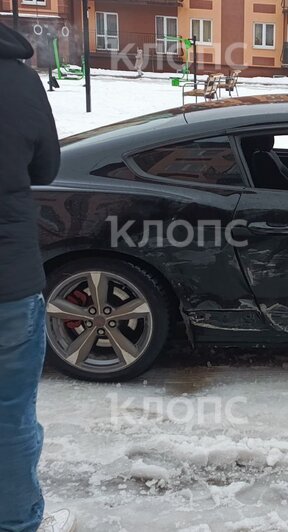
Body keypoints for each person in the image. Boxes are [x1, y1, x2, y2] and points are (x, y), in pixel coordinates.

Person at [0, 23, 76, 532]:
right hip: (7, 283)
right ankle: (18, 521)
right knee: (9, 419)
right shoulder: (19, 82)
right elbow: (46, 169)